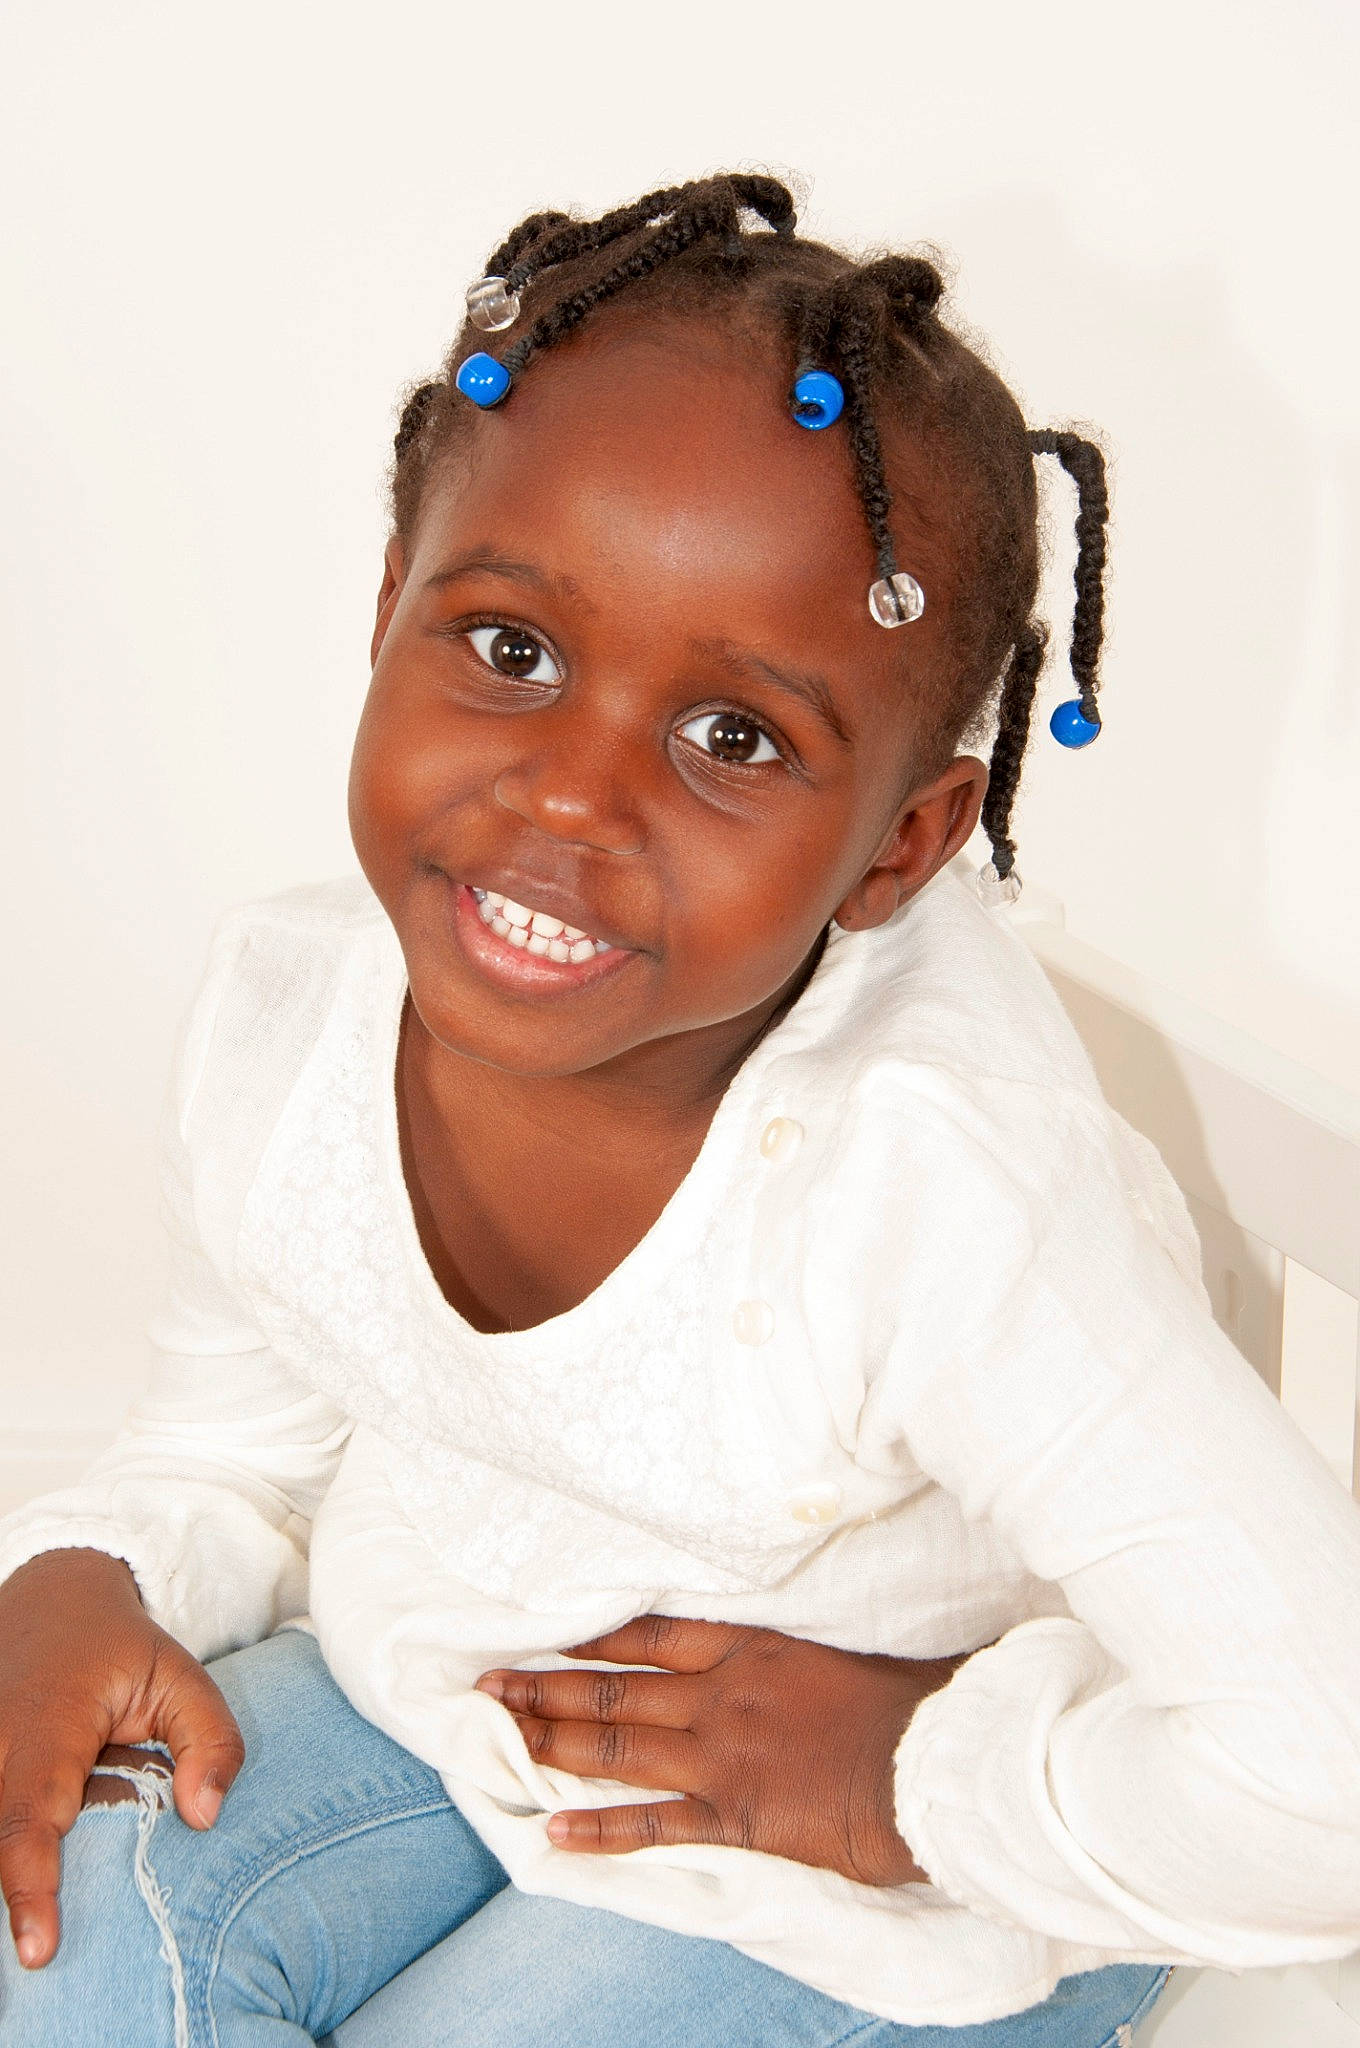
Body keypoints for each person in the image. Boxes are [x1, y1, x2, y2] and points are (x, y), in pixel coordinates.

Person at [0, 173, 1356, 2048]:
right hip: (460, 1689)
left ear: (901, 847)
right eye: (511, 649)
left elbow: (1324, 1781)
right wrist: (92, 1567)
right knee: (52, 1941)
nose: (569, 797)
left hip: (911, 1844)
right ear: (390, 601)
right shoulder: (290, 1014)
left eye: (734, 739)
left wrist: (912, 1782)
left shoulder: (941, 1195)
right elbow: (238, 1433)